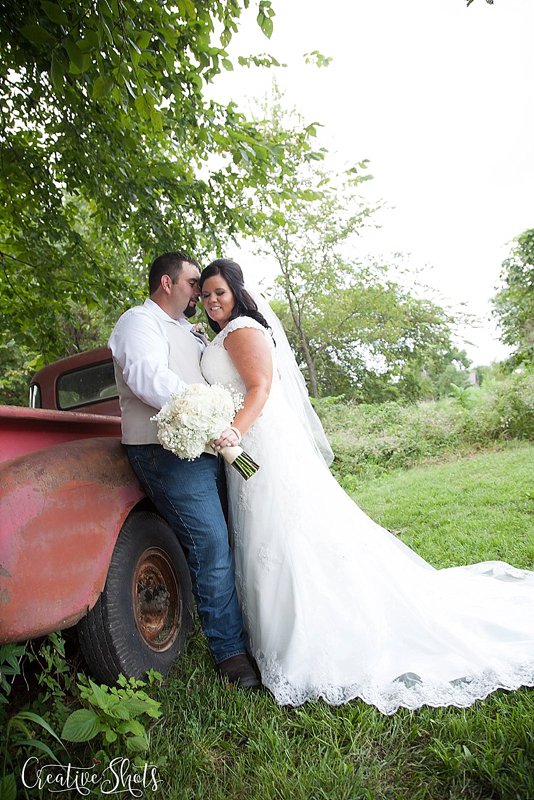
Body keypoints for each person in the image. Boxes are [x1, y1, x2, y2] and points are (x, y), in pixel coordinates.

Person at [199, 258, 534, 714]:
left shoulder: (242, 329)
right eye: (206, 294)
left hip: (258, 445)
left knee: (285, 533)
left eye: (219, 291)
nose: (212, 300)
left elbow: (259, 388)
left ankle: (313, 636)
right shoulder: (222, 333)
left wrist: (234, 431)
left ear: (236, 291)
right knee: (268, 535)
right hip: (244, 449)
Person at [108, 251, 259, 689]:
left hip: (210, 448)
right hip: (165, 452)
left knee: (229, 537)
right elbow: (147, 376)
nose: (201, 291)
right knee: (210, 543)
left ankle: (240, 629)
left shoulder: (188, 332)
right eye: (194, 282)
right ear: (167, 283)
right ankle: (230, 654)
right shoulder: (139, 321)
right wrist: (205, 410)